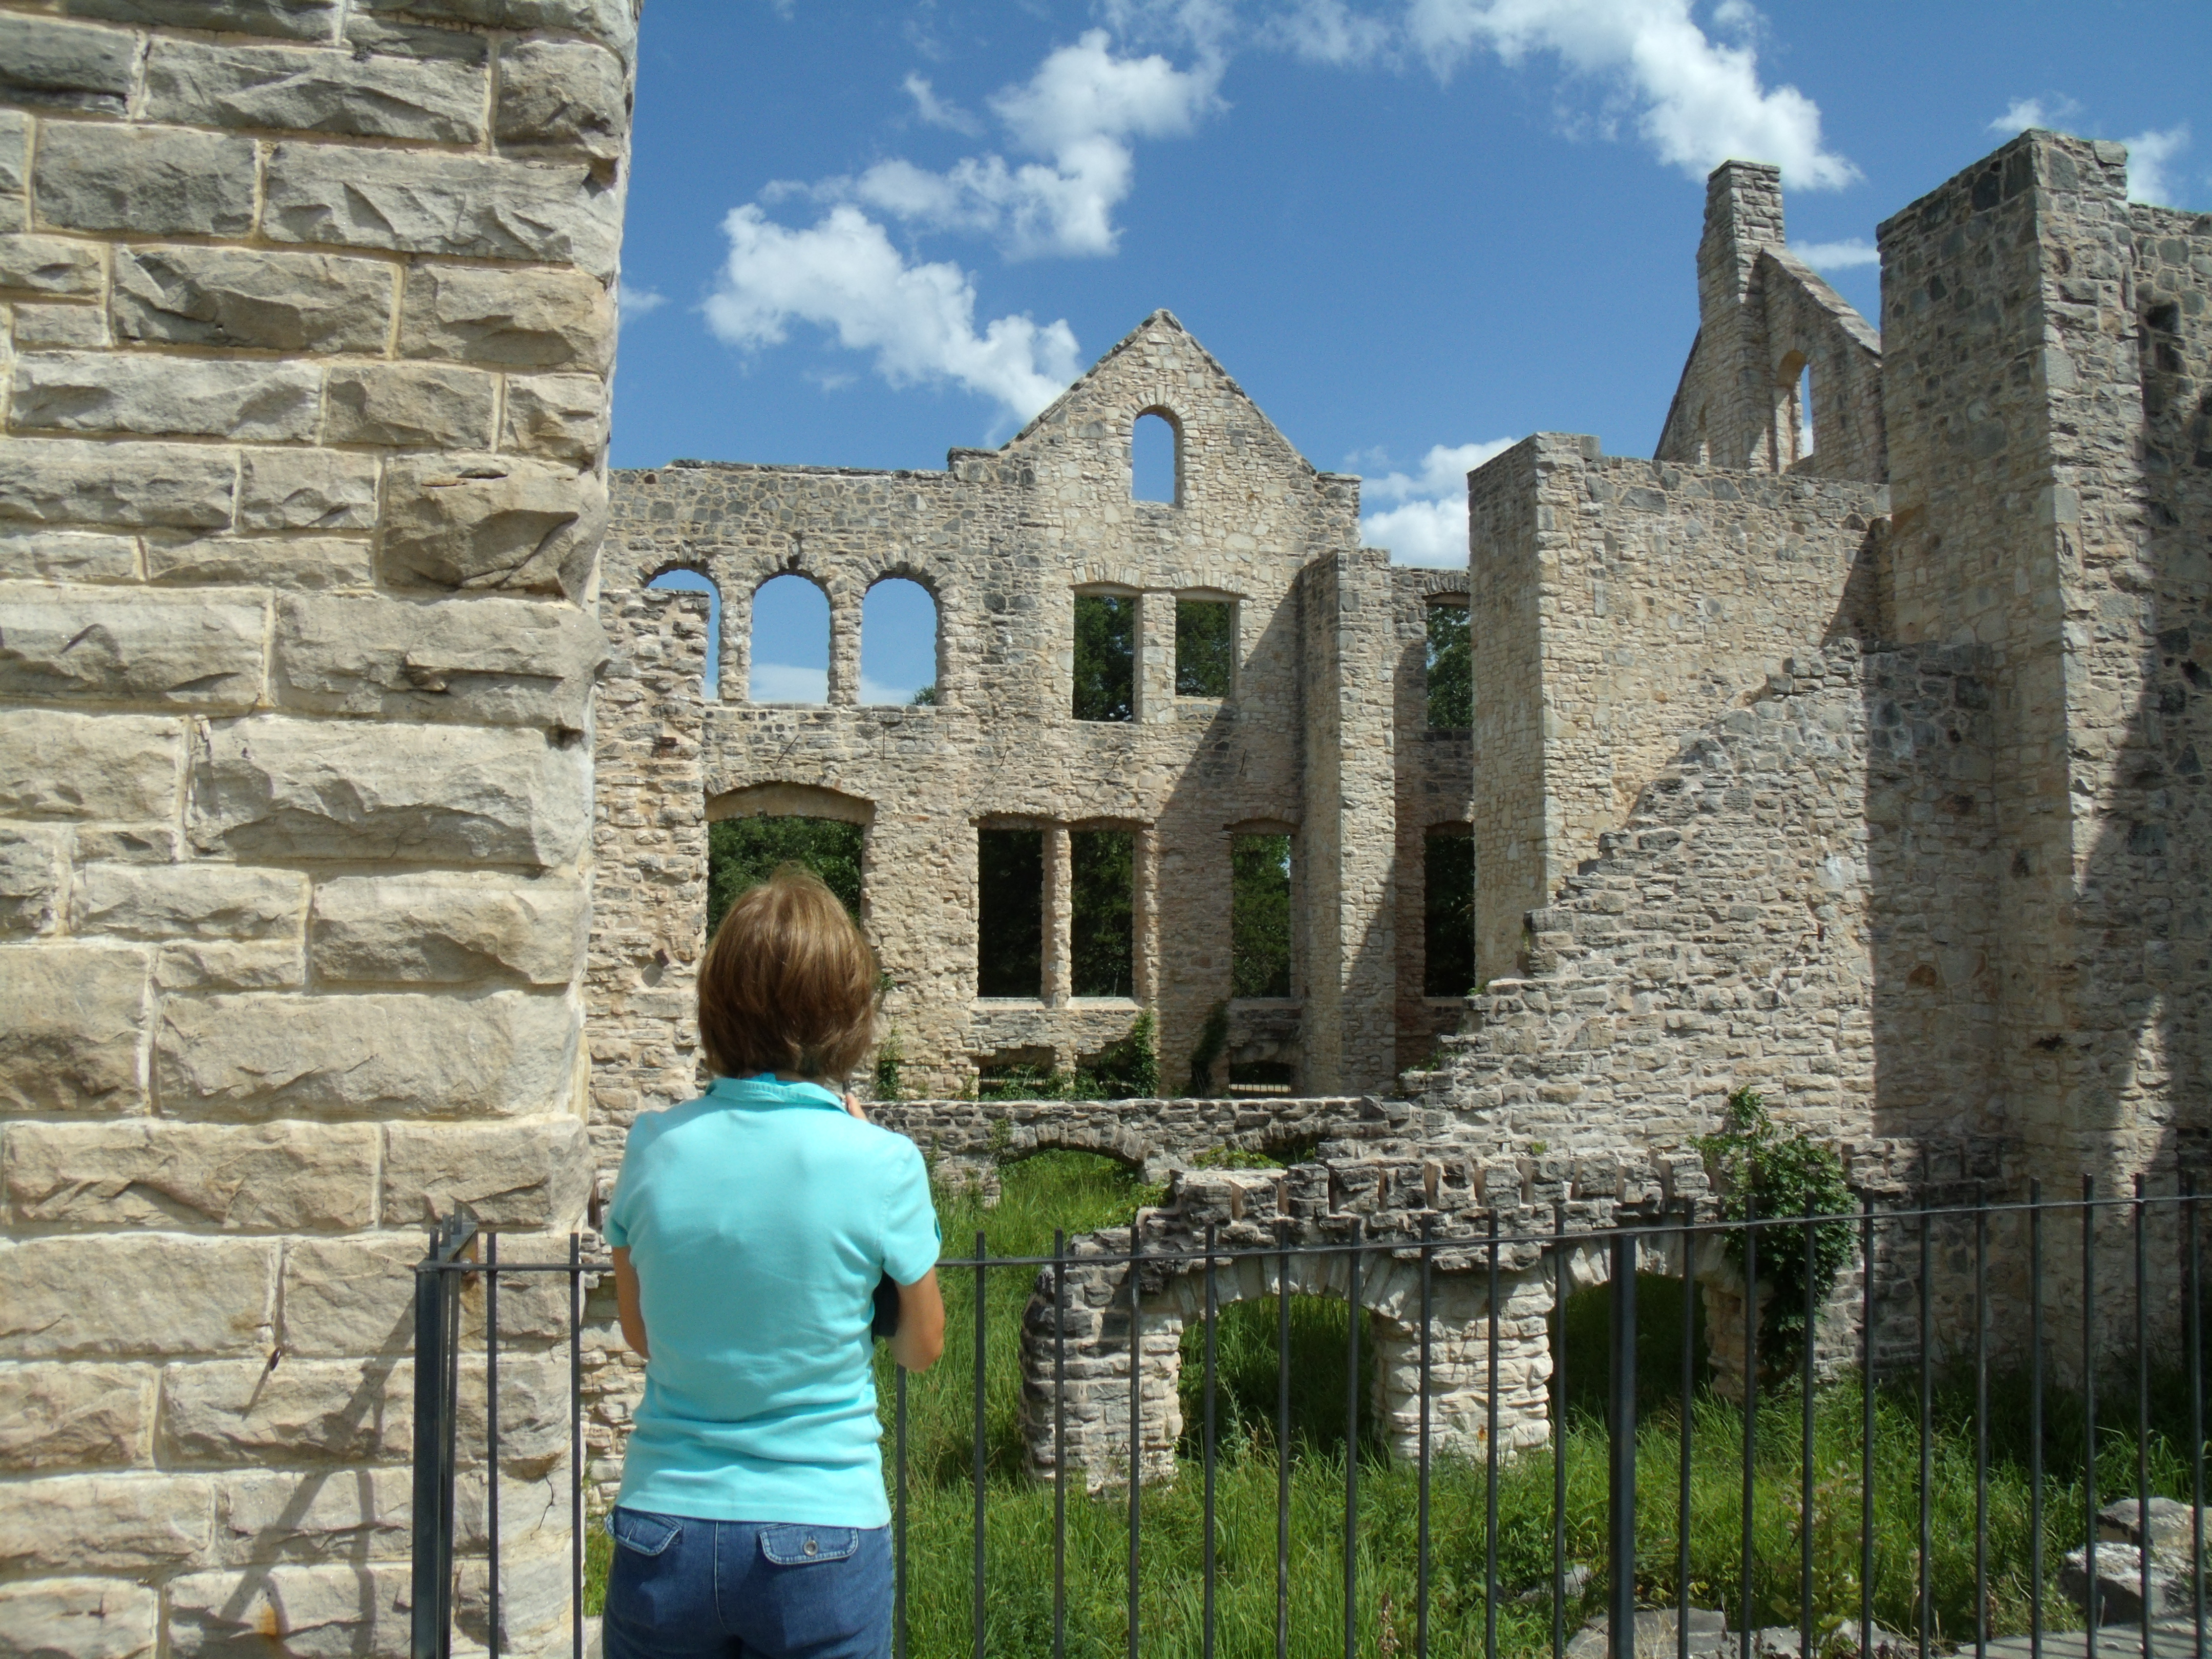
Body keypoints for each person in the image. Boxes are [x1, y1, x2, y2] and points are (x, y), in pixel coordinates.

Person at [601, 864, 945, 1659]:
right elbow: (922, 1350)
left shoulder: (652, 1147)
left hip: (665, 1524)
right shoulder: (881, 1163)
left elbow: (643, 1334)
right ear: (846, 1011)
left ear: (716, 1003)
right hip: (820, 1527)